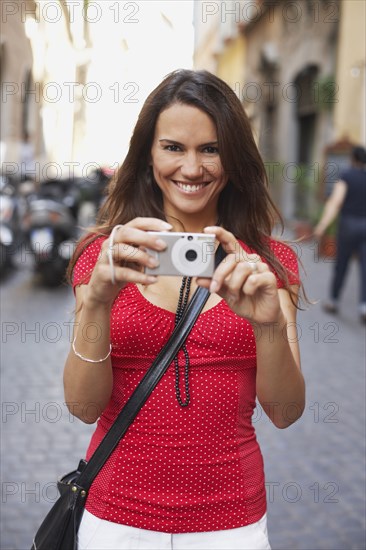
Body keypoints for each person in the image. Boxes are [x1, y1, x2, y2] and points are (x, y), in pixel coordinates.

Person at [64, 69, 306, 550]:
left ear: (233, 158)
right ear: (148, 153)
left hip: (231, 523)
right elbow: (83, 406)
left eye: (210, 149)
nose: (191, 168)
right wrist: (96, 302)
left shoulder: (267, 264)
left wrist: (269, 325)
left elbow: (284, 411)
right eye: (173, 147)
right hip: (116, 518)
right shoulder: (102, 255)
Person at [314, 146, 366, 323]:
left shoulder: (346, 176)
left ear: (352, 159)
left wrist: (322, 225)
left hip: (348, 225)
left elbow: (336, 202)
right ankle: (363, 306)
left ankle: (334, 300)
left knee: (342, 263)